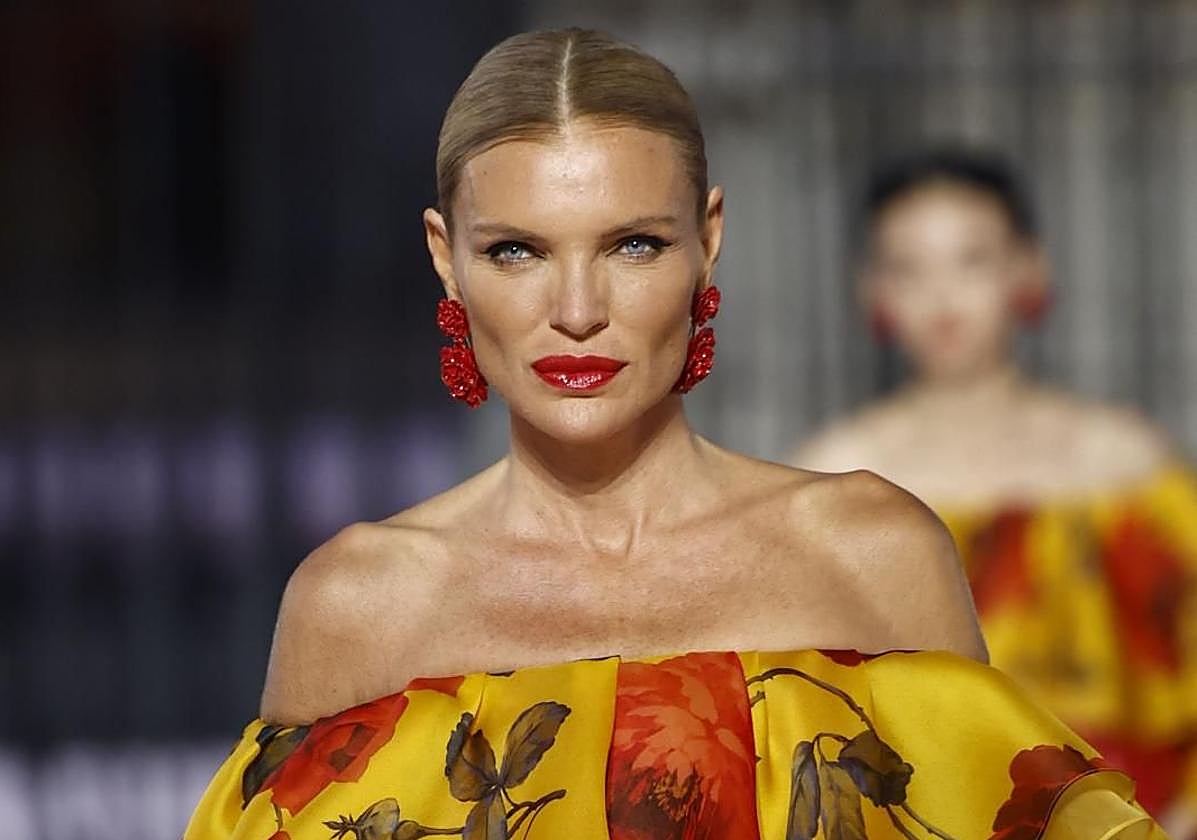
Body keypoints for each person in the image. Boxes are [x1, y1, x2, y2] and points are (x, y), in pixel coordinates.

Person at [187, 31, 1163, 839]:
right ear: (447, 258)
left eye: (634, 244)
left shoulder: (871, 555)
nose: (576, 310)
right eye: (517, 250)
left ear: (710, 239)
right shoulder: (356, 606)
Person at [793, 148, 1196, 835]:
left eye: (970, 259)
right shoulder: (832, 475)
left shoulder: (1121, 465)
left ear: (1027, 268)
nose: (941, 294)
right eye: (908, 267)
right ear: (874, 290)